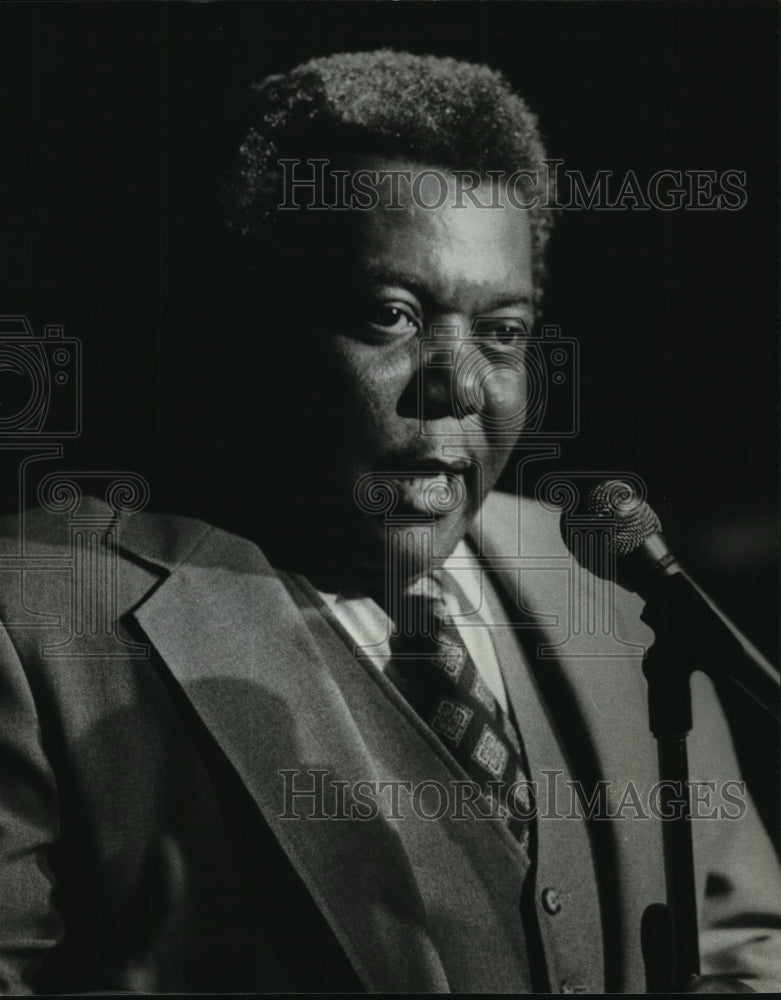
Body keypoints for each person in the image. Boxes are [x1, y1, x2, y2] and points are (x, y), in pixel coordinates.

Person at [0, 50, 778, 995]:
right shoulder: (41, 624)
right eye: (390, 316)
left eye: (502, 332)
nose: (455, 388)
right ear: (251, 327)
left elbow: (743, 949)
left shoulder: (605, 591)